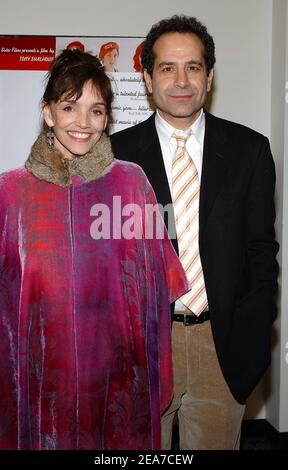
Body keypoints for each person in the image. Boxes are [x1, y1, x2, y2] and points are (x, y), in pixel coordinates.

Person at [0, 49, 189, 450]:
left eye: (96, 110)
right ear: (48, 112)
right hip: (40, 388)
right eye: (70, 107)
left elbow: (157, 285)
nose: (83, 123)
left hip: (117, 382)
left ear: (107, 118)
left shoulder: (131, 184)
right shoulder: (10, 193)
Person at [111, 14, 279, 450]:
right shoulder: (115, 156)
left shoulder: (251, 150)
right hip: (143, 349)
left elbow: (262, 251)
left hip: (221, 348)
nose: (181, 80)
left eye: (193, 67)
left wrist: (258, 332)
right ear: (147, 78)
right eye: (167, 68)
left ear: (209, 75)